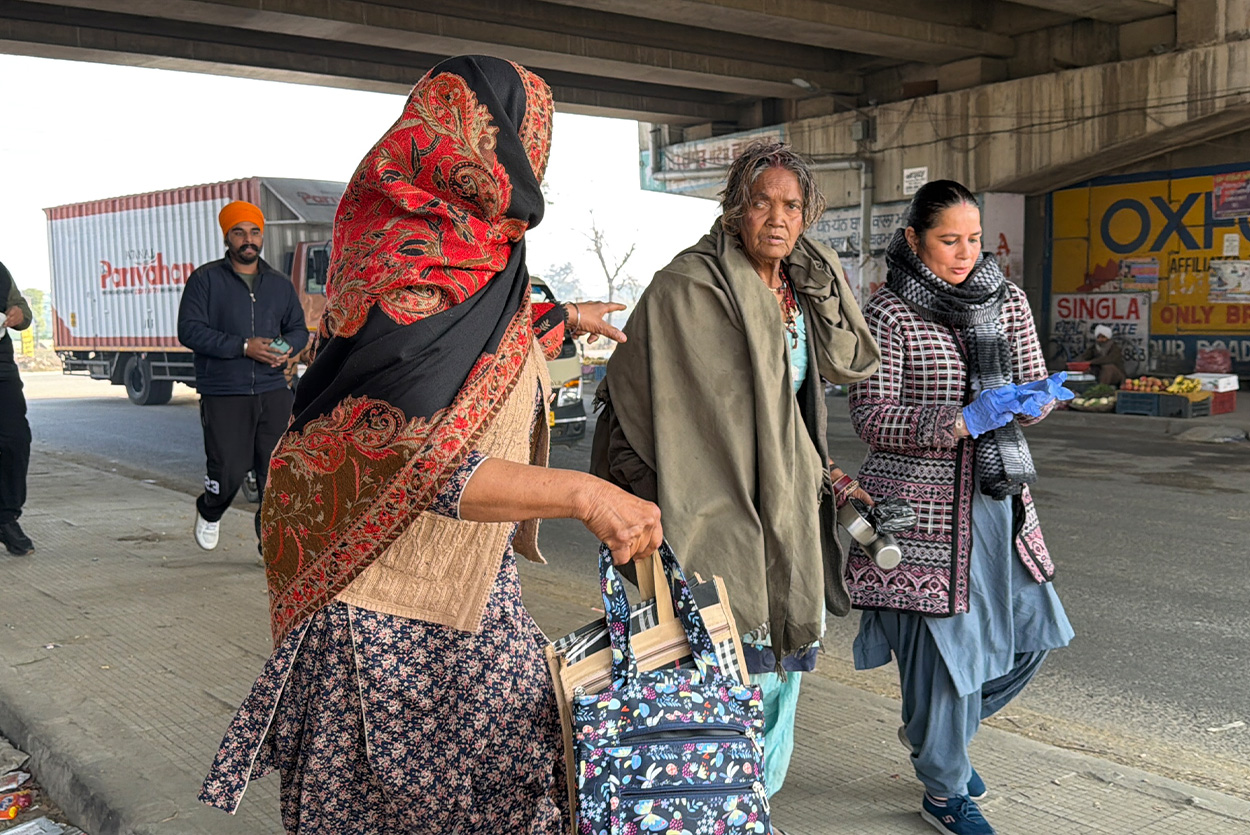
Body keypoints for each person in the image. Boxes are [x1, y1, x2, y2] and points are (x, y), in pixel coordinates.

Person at [199, 56, 662, 833]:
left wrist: (563, 319)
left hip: (466, 583)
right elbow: (415, 456)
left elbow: (471, 347)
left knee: (521, 789)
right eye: (532, 138)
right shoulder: (406, 262)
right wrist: (586, 494)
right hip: (379, 608)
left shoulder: (478, 252)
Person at [591, 139, 882, 809]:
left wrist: (824, 472)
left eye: (792, 206)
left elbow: (833, 376)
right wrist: (662, 498)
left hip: (788, 513)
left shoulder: (802, 291)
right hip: (710, 516)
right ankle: (718, 808)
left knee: (781, 673)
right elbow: (626, 403)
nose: (777, 219)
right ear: (733, 210)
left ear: (808, 214)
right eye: (760, 203)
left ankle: (756, 806)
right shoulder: (684, 287)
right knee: (718, 681)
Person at [846, 180, 1074, 835]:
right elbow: (871, 415)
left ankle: (938, 736)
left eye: (973, 239)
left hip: (998, 501)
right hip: (921, 517)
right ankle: (943, 787)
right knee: (943, 657)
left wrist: (1037, 399)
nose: (965, 252)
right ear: (914, 239)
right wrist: (960, 420)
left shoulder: (1008, 300)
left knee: (1033, 633)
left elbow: (1027, 388)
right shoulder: (888, 312)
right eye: (949, 240)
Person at [177, 200, 309, 551]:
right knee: (228, 471)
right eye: (239, 233)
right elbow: (189, 330)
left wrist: (284, 346)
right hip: (225, 391)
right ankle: (210, 509)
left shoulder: (279, 284)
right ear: (227, 237)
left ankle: (271, 541)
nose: (248, 240)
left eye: (254, 232)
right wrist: (243, 346)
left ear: (262, 237)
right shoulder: (205, 280)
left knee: (277, 470)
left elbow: (298, 329)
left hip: (274, 389)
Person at [0, 261, 34, 556]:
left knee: (16, 440)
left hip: (2, 372)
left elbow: (22, 310)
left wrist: (19, 314)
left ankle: (6, 518)